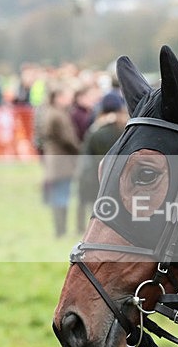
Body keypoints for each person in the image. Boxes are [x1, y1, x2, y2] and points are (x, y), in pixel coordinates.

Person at [76, 91, 127, 233]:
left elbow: (87, 162)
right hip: (123, 182)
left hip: (98, 181)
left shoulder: (95, 132)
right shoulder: (127, 131)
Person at [41, 85, 79, 237]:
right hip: (61, 160)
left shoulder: (53, 113)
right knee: (61, 197)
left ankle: (61, 230)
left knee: (60, 196)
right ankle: (61, 231)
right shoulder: (57, 115)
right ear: (58, 98)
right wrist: (79, 150)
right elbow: (67, 139)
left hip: (58, 160)